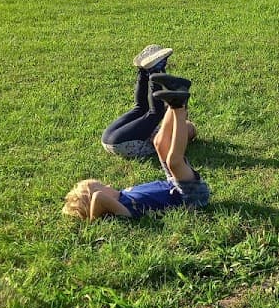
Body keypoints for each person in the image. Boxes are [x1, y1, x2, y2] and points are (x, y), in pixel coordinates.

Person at [64, 76, 210, 220]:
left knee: (159, 142)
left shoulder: (123, 195)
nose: (107, 184)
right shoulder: (123, 209)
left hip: (173, 183)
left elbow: (99, 196)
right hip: (189, 197)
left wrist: (96, 193)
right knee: (174, 161)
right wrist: (93, 213)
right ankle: (179, 107)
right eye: (101, 186)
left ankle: (176, 97)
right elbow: (98, 197)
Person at [102, 45, 195, 159]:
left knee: (154, 112)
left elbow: (154, 140)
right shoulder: (161, 131)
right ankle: (144, 71)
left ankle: (152, 71)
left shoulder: (166, 140)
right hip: (110, 140)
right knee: (141, 108)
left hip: (120, 142)